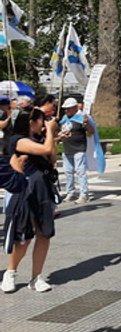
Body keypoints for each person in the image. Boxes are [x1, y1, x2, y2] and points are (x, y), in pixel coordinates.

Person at [2, 109, 64, 293]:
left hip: (43, 190)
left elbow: (51, 157)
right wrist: (51, 132)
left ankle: (36, 276)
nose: (44, 123)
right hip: (25, 192)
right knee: (23, 238)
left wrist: (50, 136)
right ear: (31, 122)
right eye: (42, 120)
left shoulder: (38, 139)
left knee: (44, 233)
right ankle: (10, 272)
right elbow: (44, 150)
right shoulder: (18, 140)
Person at [59, 97, 95, 204]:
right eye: (65, 109)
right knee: (68, 172)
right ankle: (71, 192)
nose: (66, 111)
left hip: (79, 148)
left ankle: (84, 194)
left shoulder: (81, 118)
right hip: (67, 148)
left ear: (74, 108)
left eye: (68, 108)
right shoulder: (64, 118)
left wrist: (86, 123)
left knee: (80, 172)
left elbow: (91, 131)